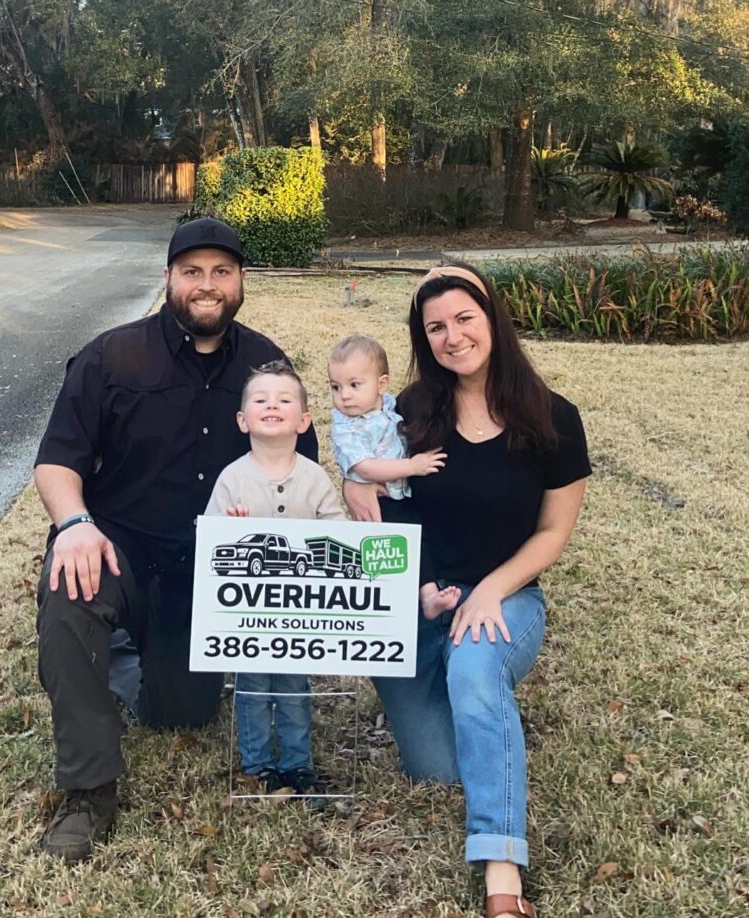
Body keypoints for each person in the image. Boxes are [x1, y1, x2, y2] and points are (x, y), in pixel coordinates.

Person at [33, 217, 317, 863]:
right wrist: (74, 524)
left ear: (242, 281)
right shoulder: (111, 356)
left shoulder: (267, 369)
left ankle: (121, 660)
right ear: (168, 279)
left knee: (181, 714)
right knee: (69, 587)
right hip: (120, 550)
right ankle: (88, 792)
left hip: (213, 575)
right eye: (192, 272)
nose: (207, 286)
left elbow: (304, 470)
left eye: (222, 272)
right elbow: (57, 461)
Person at [344, 264, 590, 918]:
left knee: (477, 662)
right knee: (434, 765)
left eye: (464, 318)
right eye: (435, 328)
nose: (453, 337)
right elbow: (358, 460)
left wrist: (490, 590)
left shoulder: (552, 417)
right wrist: (352, 481)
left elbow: (552, 534)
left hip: (505, 594)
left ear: (493, 317)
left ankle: (503, 880)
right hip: (419, 600)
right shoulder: (409, 412)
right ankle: (485, 719)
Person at [205, 360, 346, 798]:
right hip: (249, 615)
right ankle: (258, 763)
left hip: (299, 616)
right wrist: (232, 526)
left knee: (293, 687)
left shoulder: (316, 478)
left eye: (285, 400)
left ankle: (298, 763)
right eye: (261, 399)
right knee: (251, 685)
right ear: (242, 419)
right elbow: (211, 540)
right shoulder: (232, 478)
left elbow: (337, 535)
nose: (272, 405)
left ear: (303, 421)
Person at [327, 334, 459, 620]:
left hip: (401, 495)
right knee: (394, 553)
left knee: (416, 543)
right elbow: (366, 468)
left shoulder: (387, 406)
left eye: (354, 385)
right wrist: (413, 467)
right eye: (335, 387)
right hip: (381, 502)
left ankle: (416, 596)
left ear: (382, 384)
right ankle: (424, 598)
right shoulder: (346, 428)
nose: (344, 395)